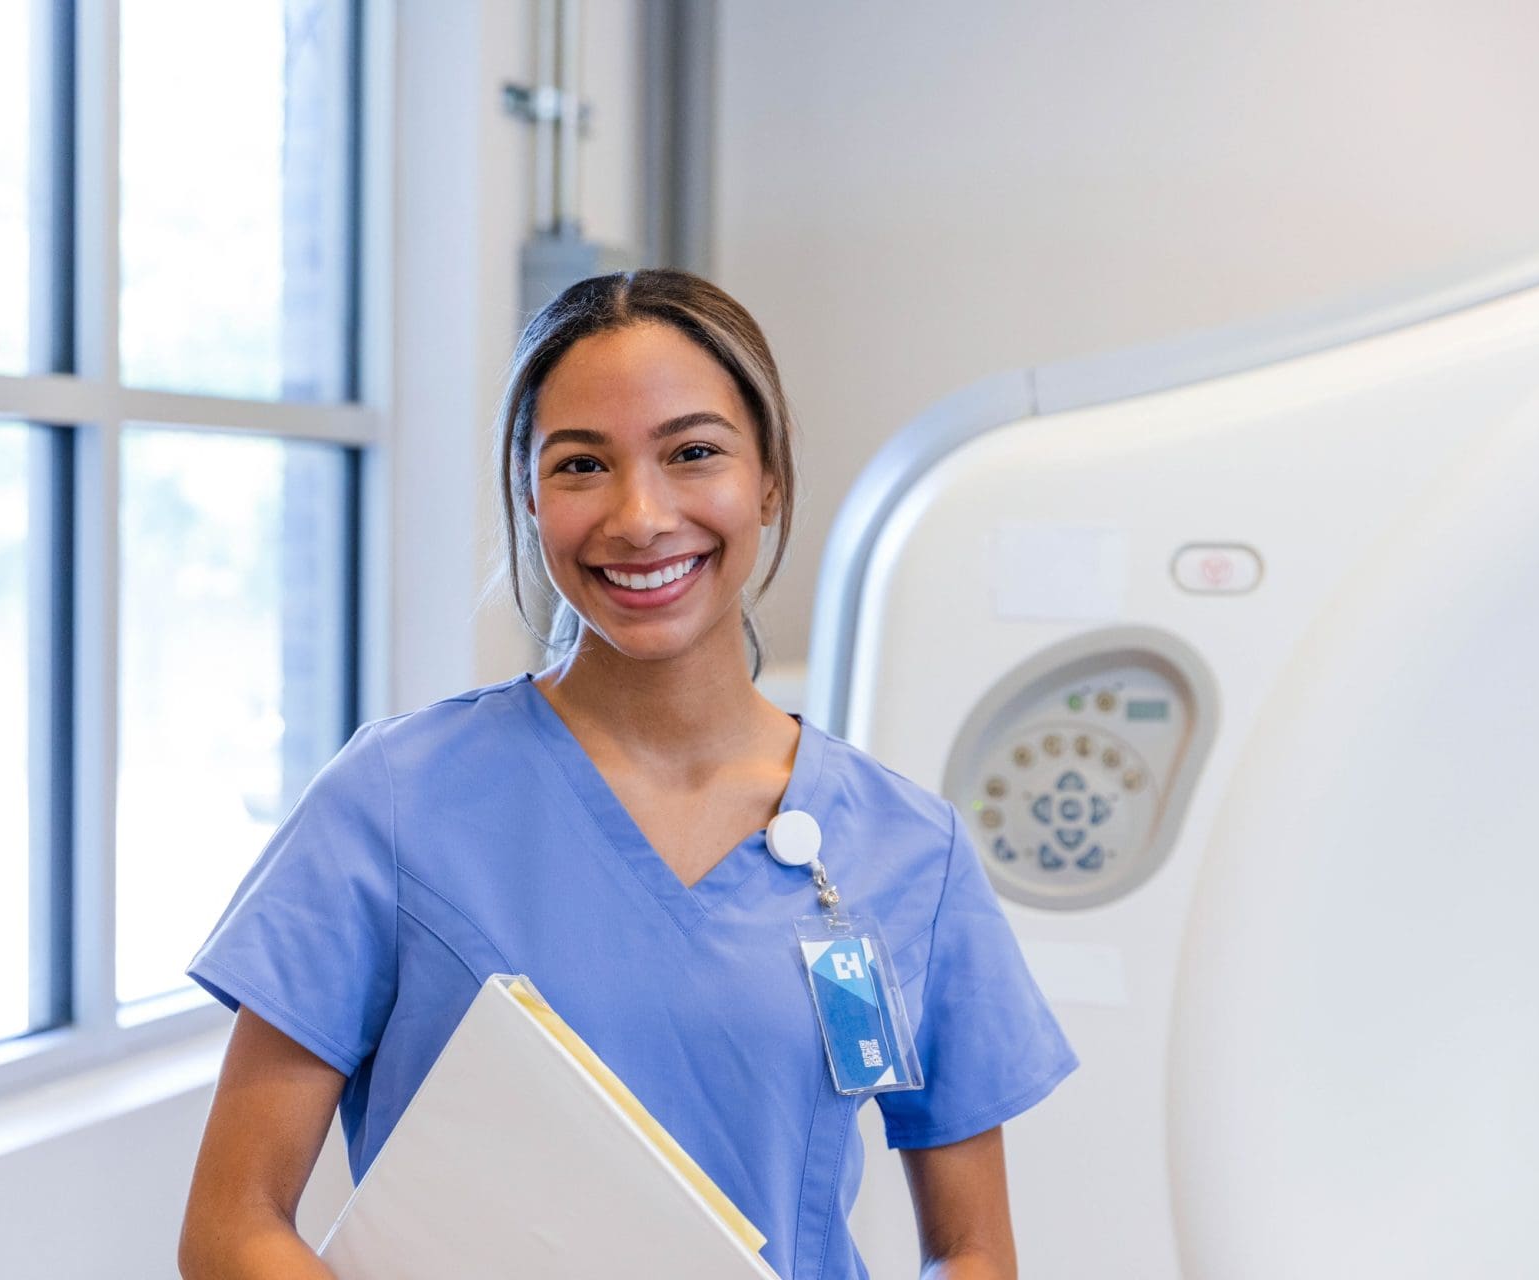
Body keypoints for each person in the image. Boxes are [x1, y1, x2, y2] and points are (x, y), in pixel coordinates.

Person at [176, 270, 1076, 1280]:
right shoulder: (394, 802)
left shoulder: (908, 850)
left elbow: (974, 1247)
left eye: (693, 452)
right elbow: (232, 1225)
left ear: (770, 476)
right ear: (530, 495)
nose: (641, 516)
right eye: (581, 464)